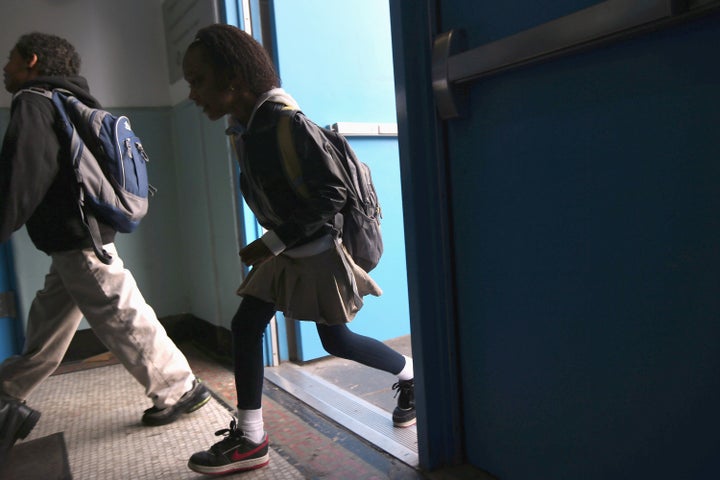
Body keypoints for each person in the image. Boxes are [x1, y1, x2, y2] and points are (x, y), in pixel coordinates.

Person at [182, 23, 416, 475]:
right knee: (247, 324)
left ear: (234, 80)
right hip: (290, 249)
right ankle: (251, 438)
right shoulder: (245, 128)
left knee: (336, 339)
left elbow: (333, 196)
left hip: (319, 252)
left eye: (199, 81)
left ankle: (409, 376)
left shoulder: (288, 124)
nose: (193, 93)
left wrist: (271, 242)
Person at [0, 32, 211, 463]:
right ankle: (9, 388)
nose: (5, 68)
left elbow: (23, 174)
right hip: (77, 235)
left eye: (10, 60)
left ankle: (179, 388)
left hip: (78, 237)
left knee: (121, 312)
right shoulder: (69, 100)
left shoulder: (34, 101)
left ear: (32, 61)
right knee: (48, 322)